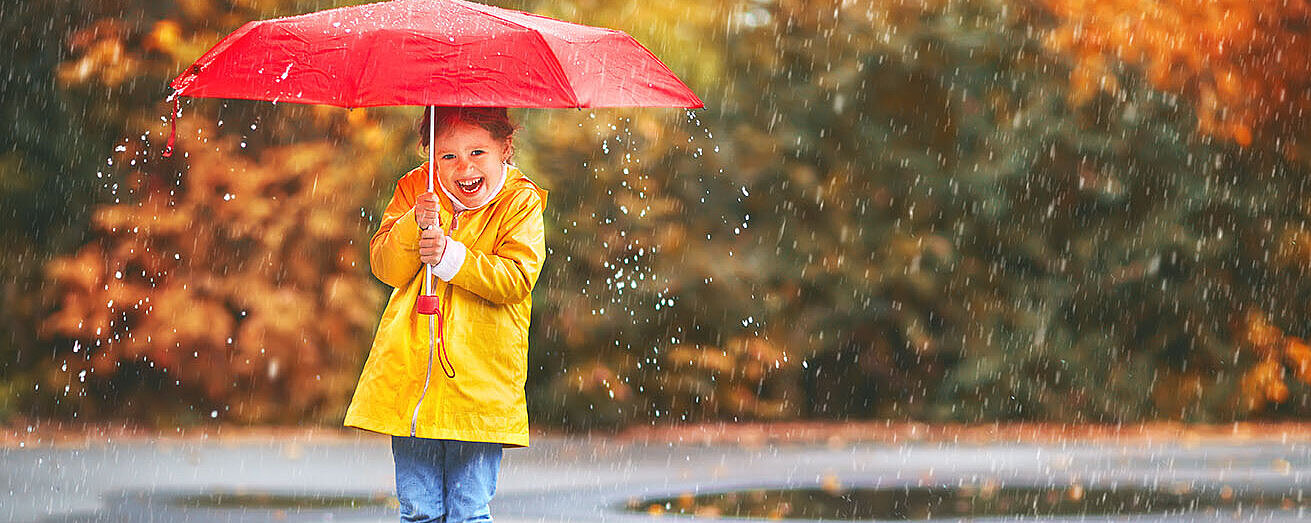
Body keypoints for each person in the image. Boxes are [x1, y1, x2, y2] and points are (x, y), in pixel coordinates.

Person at [344, 106, 547, 522]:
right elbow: (386, 268)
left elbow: (515, 279)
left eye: (478, 152)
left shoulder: (520, 202)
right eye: (447, 156)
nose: (463, 167)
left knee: (468, 510)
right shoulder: (417, 189)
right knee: (419, 510)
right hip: (414, 378)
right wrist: (411, 224)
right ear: (430, 154)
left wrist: (451, 257)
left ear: (504, 148)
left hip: (478, 382)